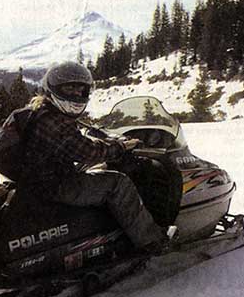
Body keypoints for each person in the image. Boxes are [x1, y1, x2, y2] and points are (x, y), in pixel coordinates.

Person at [18, 61, 175, 255]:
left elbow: (70, 143)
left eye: (81, 90)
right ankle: (152, 242)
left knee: (96, 172)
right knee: (118, 183)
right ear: (54, 90)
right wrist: (120, 146)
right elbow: (89, 152)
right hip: (53, 185)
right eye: (69, 90)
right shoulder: (54, 122)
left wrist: (102, 138)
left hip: (35, 180)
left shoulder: (38, 111)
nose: (76, 96)